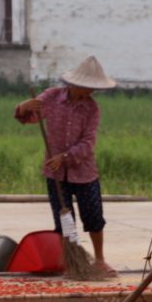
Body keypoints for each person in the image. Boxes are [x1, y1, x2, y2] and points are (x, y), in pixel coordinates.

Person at [14, 55, 117, 277]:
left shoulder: (91, 109)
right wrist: (23, 107)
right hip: (55, 172)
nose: (90, 92)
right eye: (87, 87)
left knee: (93, 217)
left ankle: (99, 260)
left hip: (84, 171)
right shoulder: (51, 97)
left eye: (93, 88)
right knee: (63, 218)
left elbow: (88, 143)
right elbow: (31, 117)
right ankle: (72, 263)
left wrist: (66, 156)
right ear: (75, 84)